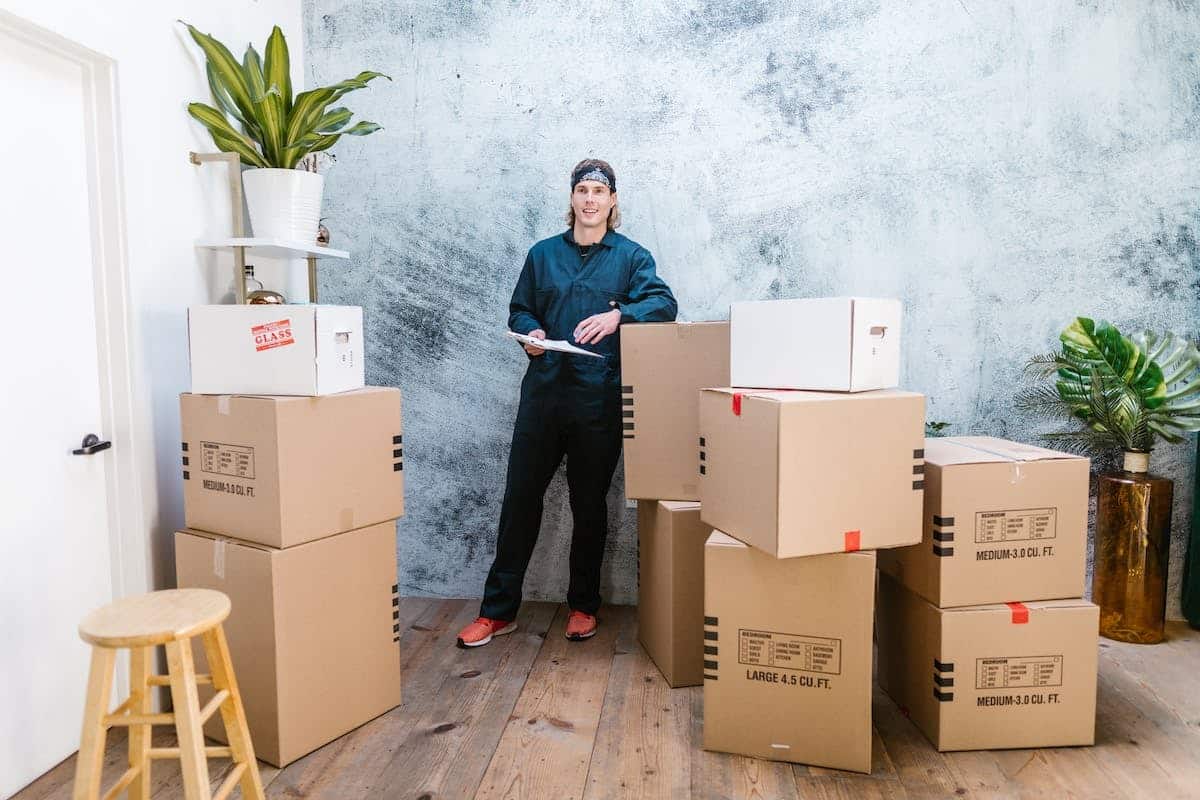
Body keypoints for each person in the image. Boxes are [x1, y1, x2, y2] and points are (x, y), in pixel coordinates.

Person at [457, 159, 678, 647]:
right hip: (542, 397)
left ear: (612, 201)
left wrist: (619, 316)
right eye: (583, 190)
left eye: (599, 191)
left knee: (589, 505)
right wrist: (531, 333)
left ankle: (583, 606)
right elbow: (520, 309)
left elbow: (664, 304)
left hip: (597, 401)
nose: (590, 199)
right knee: (519, 500)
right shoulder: (542, 255)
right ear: (572, 198)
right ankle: (497, 612)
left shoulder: (632, 257)